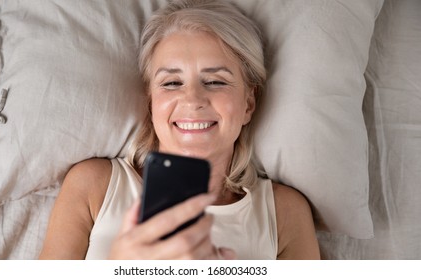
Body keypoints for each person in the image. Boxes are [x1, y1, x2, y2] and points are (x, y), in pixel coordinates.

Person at [39, 0, 320, 260]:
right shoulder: (93, 186)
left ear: (248, 103)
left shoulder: (284, 213)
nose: (192, 100)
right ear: (151, 103)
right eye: (172, 83)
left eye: (215, 81)